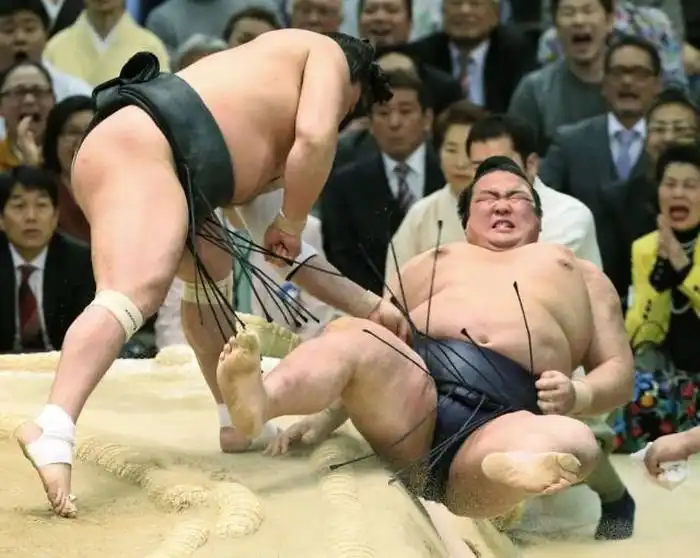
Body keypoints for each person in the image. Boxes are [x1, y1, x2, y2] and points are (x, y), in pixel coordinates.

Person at [14, 29, 406, 518]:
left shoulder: (262, 132)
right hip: (140, 147)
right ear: (349, 80)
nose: (339, 117)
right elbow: (315, 138)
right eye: (346, 106)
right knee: (133, 292)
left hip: (153, 160)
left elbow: (285, 255)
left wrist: (372, 307)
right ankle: (53, 427)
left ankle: (234, 420)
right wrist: (293, 219)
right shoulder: (322, 51)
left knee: (213, 263)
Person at [217, 155, 635, 520]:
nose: (502, 204)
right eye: (487, 198)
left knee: (576, 441)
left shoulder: (579, 273)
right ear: (466, 221)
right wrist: (326, 417)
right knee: (353, 331)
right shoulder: (432, 260)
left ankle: (510, 468)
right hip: (415, 400)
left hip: (510, 414)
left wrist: (579, 394)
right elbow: (375, 349)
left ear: (539, 221)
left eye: (517, 196)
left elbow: (618, 371)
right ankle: (263, 401)